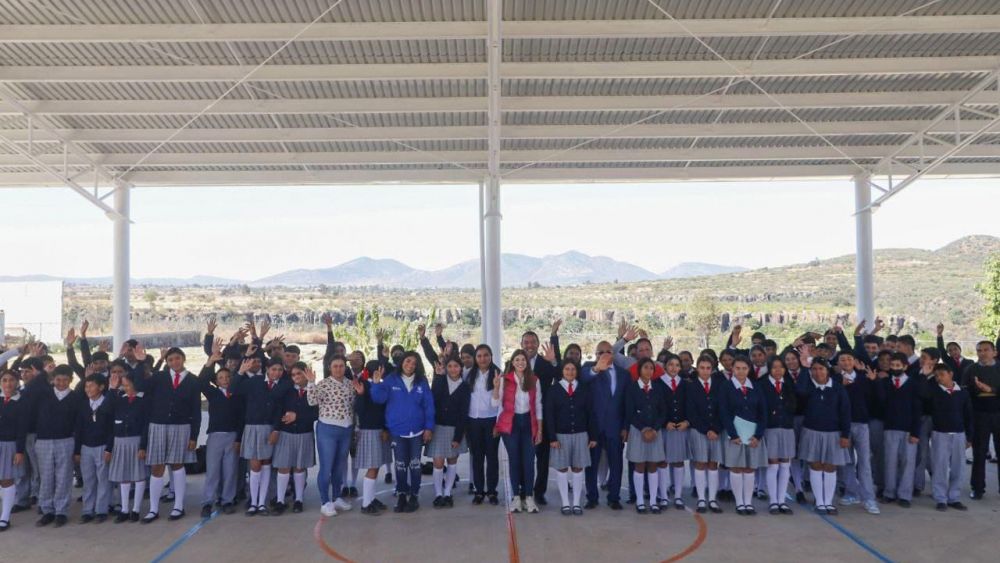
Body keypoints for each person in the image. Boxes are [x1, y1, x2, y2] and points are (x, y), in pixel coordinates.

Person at [133, 346, 200, 524]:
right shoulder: (160, 377)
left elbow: (196, 410)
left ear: (183, 359)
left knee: (177, 465)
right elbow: (140, 385)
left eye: (177, 358)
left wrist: (194, 435)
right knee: (157, 467)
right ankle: (153, 509)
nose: (174, 362)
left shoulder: (192, 380)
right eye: (170, 360)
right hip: (158, 425)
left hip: (181, 427)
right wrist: (141, 363)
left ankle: (178, 506)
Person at [370, 351, 435, 514]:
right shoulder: (391, 379)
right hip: (397, 431)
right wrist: (376, 384)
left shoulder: (421, 382)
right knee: (400, 465)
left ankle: (414, 495)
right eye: (408, 361)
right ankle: (401, 494)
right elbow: (379, 399)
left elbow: (429, 406)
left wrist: (429, 428)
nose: (410, 365)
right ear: (402, 362)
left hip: (417, 432)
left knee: (415, 465)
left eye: (414, 363)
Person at [236, 355, 289, 517]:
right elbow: (233, 390)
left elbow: (282, 409)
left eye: (280, 370)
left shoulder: (284, 386)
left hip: (270, 429)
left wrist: (276, 430)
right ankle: (253, 502)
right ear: (267, 369)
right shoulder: (255, 381)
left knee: (266, 464)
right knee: (255, 465)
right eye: (274, 369)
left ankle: (261, 503)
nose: (277, 373)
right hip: (253, 427)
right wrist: (240, 373)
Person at [797, 360, 851, 515]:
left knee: (829, 467)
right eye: (813, 369)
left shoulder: (838, 389)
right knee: (815, 466)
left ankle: (828, 502)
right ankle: (819, 502)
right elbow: (799, 390)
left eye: (821, 369)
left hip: (833, 433)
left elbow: (845, 412)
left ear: (827, 370)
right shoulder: (808, 387)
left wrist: (845, 435)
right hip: (812, 432)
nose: (817, 372)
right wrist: (805, 368)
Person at [307, 355, 359, 517]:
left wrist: (355, 427)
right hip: (327, 429)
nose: (338, 369)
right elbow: (311, 401)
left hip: (346, 429)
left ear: (345, 367)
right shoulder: (323, 384)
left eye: (341, 366)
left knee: (339, 466)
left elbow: (354, 406)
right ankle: (325, 501)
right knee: (327, 466)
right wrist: (311, 383)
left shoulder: (351, 385)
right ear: (330, 368)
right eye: (335, 366)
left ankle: (336, 497)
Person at [31, 364, 81, 527]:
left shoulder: (75, 398)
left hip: (65, 441)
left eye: (65, 380)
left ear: (71, 380)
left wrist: (77, 447)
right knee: (46, 477)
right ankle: (47, 510)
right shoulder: (44, 394)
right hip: (44, 441)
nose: (61, 383)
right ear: (52, 379)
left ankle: (61, 511)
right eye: (58, 379)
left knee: (64, 476)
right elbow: (31, 387)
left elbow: (78, 424)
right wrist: (44, 372)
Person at [197, 342, 244, 517]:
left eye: (228, 377)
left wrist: (238, 438)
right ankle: (208, 501)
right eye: (221, 378)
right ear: (216, 381)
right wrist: (210, 361)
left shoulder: (237, 396)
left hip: (232, 436)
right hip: (216, 436)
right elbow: (201, 381)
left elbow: (241, 419)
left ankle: (227, 500)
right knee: (213, 470)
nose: (225, 380)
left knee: (230, 470)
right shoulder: (214, 393)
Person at [494, 349, 543, 513]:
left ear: (527, 362)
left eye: (523, 359)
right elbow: (496, 404)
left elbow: (538, 405)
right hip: (510, 424)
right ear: (512, 362)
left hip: (529, 423)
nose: (520, 362)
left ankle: (529, 497)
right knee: (514, 460)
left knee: (529, 461)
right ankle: (516, 497)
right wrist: (495, 387)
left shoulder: (534, 380)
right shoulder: (504, 380)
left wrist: (540, 429)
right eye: (517, 359)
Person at [545, 361, 597, 516]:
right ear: (562, 371)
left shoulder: (584, 389)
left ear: (577, 371)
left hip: (581, 434)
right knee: (561, 468)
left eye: (573, 369)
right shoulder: (553, 390)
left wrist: (593, 435)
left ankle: (576, 503)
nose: (570, 372)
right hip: (560, 435)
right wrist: (552, 437)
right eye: (567, 369)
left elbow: (590, 413)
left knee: (578, 468)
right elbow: (549, 415)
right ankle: (565, 503)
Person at [582, 342, 628, 511]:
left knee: (616, 464)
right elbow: (583, 378)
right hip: (594, 428)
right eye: (600, 352)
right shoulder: (589, 368)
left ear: (613, 354)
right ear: (595, 354)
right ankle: (591, 497)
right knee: (591, 465)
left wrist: (625, 427)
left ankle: (614, 497)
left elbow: (626, 403)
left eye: (608, 351)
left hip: (615, 428)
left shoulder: (623, 374)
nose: (605, 354)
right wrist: (597, 369)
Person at [719, 357, 768, 516]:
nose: (741, 371)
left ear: (749, 369)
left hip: (753, 435)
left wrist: (758, 435)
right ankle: (739, 502)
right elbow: (724, 412)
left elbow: (763, 412)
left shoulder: (756, 386)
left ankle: (748, 502)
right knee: (736, 467)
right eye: (737, 368)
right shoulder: (726, 387)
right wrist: (733, 434)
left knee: (749, 469)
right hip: (735, 435)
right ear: (732, 369)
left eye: (744, 368)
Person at [272, 362, 319, 515]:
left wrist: (297, 416)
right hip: (286, 433)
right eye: (293, 375)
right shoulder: (287, 390)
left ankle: (299, 499)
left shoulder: (313, 390)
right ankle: (280, 500)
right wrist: (277, 428)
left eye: (299, 373)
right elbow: (277, 406)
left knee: (299, 467)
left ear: (306, 373)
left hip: (304, 432)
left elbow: (316, 413)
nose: (296, 377)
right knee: (284, 466)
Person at [835, 355, 881, 515]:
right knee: (847, 462)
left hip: (861, 424)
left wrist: (875, 381)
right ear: (838, 363)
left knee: (864, 462)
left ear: (854, 361)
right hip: (843, 426)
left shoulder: (864, 378)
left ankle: (869, 498)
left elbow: (877, 398)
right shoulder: (835, 380)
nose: (846, 363)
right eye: (842, 360)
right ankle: (851, 493)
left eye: (849, 359)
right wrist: (840, 386)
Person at [877, 352, 923, 507]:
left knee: (908, 462)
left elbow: (917, 410)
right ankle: (889, 492)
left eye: (898, 366)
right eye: (893, 365)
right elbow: (881, 403)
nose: (895, 368)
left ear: (905, 366)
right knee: (890, 461)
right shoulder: (885, 383)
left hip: (909, 430)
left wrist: (915, 432)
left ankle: (905, 495)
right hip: (890, 428)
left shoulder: (913, 384)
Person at [624, 358, 666, 514]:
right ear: (639, 370)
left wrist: (654, 429)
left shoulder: (658, 388)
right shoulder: (632, 388)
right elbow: (630, 412)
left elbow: (663, 411)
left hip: (655, 431)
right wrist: (643, 429)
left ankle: (654, 500)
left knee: (653, 465)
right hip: (638, 431)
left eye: (651, 368)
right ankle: (640, 501)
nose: (649, 371)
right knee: (640, 465)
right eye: (645, 367)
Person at [427, 357, 471, 509]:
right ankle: (438, 494)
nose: (453, 369)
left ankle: (447, 493)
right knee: (438, 463)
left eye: (456, 366)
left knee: (452, 461)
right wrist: (438, 377)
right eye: (450, 366)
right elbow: (433, 399)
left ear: (461, 368)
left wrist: (458, 436)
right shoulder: (440, 380)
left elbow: (463, 413)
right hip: (439, 427)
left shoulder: (465, 387)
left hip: (455, 429)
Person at [929, 364, 973, 511]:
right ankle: (940, 498)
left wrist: (969, 437)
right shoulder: (934, 392)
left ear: (951, 374)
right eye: (936, 376)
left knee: (958, 467)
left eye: (942, 374)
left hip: (959, 434)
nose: (939, 378)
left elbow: (968, 416)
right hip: (940, 434)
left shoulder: (962, 393)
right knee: (940, 467)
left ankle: (954, 497)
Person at [106, 369, 148, 523]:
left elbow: (145, 425)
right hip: (120, 442)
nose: (126, 389)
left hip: (136, 441)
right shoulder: (119, 399)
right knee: (123, 477)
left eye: (128, 385)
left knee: (138, 475)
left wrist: (143, 446)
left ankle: (136, 509)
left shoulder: (143, 400)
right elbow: (107, 411)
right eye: (123, 386)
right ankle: (124, 509)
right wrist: (113, 388)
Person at [961, 340, 1000, 500]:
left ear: (994, 352)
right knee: (979, 453)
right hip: (979, 415)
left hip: (998, 414)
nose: (982, 353)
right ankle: (977, 488)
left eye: (986, 350)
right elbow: (965, 395)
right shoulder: (971, 370)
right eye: (979, 350)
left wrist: (991, 390)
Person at [686, 356, 724, 514]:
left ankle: (712, 499)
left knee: (713, 464)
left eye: (708, 368)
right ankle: (702, 498)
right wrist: (705, 429)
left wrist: (715, 429)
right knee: (700, 463)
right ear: (697, 369)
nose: (705, 371)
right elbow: (691, 411)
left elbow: (723, 409)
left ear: (713, 369)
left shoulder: (719, 386)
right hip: (699, 430)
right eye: (702, 368)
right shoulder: (691, 387)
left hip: (715, 431)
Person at [74, 373, 114, 524]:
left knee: (103, 479)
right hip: (86, 448)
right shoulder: (84, 405)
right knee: (89, 480)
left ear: (101, 387)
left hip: (102, 446)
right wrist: (77, 450)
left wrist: (109, 448)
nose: (87, 389)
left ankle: (101, 510)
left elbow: (111, 429)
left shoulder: (108, 404)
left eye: (91, 385)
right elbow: (79, 429)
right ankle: (87, 510)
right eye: (86, 386)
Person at [466, 345, 502, 506]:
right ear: (475, 358)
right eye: (479, 356)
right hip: (473, 421)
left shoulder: (498, 374)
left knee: (492, 458)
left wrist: (498, 424)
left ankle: (492, 491)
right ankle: (479, 491)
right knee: (477, 458)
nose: (482, 359)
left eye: (486, 355)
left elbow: (501, 404)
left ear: (491, 356)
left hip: (491, 421)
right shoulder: (468, 374)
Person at [760, 356, 796, 515]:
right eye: (774, 367)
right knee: (773, 464)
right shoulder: (762, 384)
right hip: (771, 428)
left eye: (781, 367)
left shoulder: (788, 384)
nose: (778, 370)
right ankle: (773, 501)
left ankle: (782, 500)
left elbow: (794, 403)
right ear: (769, 368)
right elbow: (761, 407)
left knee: (785, 464)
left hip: (786, 428)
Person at [353, 361, 390, 515]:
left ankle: (371, 498)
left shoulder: (380, 386)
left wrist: (386, 428)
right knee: (373, 467)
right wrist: (361, 395)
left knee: (376, 466)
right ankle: (366, 504)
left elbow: (385, 408)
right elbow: (360, 410)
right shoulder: (363, 386)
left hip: (380, 430)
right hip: (369, 430)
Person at [656, 354, 689, 510]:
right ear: (665, 366)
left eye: (677, 365)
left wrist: (687, 422)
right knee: (662, 462)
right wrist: (663, 422)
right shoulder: (657, 384)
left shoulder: (686, 385)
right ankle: (663, 496)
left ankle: (678, 496)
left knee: (678, 461)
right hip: (664, 428)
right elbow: (655, 407)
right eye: (670, 364)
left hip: (679, 428)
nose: (674, 368)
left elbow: (690, 407)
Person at [0, 369, 26, 531]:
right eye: (4, 380)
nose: (8, 384)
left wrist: (19, 450)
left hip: (9, 444)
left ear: (17, 382)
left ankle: (5, 517)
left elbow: (21, 429)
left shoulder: (21, 402)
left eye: (11, 380)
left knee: (7, 479)